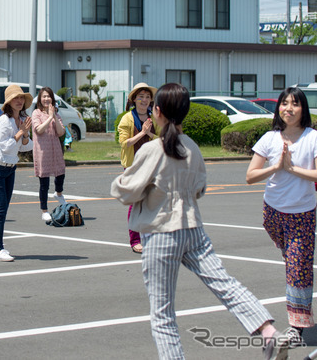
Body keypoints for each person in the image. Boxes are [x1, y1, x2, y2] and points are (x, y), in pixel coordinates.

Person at [111, 83, 290, 360]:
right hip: (193, 229)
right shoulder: (192, 147)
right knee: (224, 283)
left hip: (160, 233)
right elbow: (200, 188)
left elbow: (126, 191)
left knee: (162, 314)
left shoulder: (153, 150)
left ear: (157, 111)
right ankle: (268, 333)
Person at [246, 87, 317, 343]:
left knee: (298, 267)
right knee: (293, 259)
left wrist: (293, 168)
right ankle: (296, 256)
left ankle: (297, 327)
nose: (289, 108)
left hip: (302, 214)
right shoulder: (269, 138)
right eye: (284, 103)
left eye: (295, 104)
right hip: (272, 213)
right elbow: (250, 176)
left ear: (303, 109)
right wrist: (276, 167)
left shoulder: (312, 138)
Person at [0, 84, 33, 262]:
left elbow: (27, 147)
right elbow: (5, 147)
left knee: (3, 209)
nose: (19, 101)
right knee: (1, 209)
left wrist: (25, 133)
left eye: (21, 98)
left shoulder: (20, 119)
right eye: (16, 98)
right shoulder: (4, 121)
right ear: (8, 102)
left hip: (10, 168)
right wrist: (21, 132)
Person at [117, 82, 158, 254]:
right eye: (141, 97)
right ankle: (135, 240)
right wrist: (142, 133)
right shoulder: (127, 118)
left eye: (147, 97)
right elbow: (124, 143)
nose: (144, 100)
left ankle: (149, 238)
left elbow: (162, 139)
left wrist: (149, 134)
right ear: (134, 99)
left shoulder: (155, 117)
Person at [32, 87, 67, 222]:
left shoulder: (56, 114)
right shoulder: (36, 113)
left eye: (49, 96)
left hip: (55, 149)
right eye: (44, 96)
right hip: (42, 151)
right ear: (40, 99)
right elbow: (39, 130)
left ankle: (58, 193)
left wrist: (54, 116)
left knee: (61, 173)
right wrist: (49, 117)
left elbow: (60, 132)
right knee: (44, 182)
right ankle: (44, 210)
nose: (46, 99)